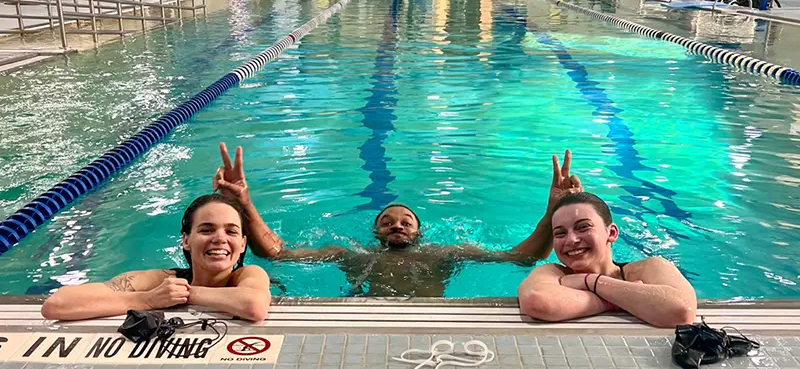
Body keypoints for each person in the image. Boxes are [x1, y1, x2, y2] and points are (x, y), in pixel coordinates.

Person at [212, 143, 582, 297]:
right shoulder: (350, 255)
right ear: (375, 231)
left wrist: (554, 212)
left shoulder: (446, 253)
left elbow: (521, 258)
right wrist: (243, 203)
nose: (397, 224)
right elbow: (277, 254)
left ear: (420, 231)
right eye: (388, 221)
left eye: (406, 220)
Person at [41, 194, 271, 322]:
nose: (220, 239)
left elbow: (255, 306)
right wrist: (148, 300)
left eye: (231, 231)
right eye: (206, 230)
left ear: (242, 244)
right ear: (186, 241)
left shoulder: (248, 275)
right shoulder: (159, 281)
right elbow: (56, 305)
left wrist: (185, 294)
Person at [517, 192, 697, 328]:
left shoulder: (650, 267)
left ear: (611, 233)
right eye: (560, 233)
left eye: (583, 227)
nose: (571, 240)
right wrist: (619, 299)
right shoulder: (552, 272)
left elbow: (682, 311)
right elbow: (538, 302)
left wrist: (591, 281)